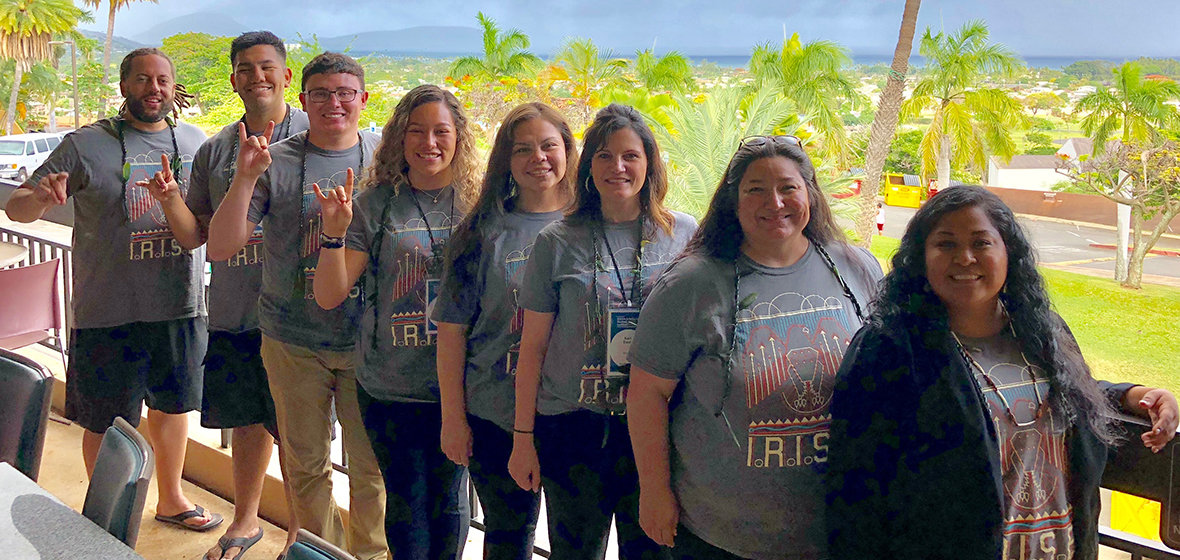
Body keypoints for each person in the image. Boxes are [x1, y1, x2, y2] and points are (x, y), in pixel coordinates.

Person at [825, 185, 1179, 560]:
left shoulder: (1042, 331)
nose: (965, 257)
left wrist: (1130, 396)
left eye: (981, 243)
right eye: (945, 244)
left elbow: (1050, 395)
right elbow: (854, 489)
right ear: (920, 260)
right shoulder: (886, 350)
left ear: (1008, 252)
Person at [626, 135, 883, 560]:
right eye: (755, 190)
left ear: (810, 193)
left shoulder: (858, 268)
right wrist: (655, 492)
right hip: (723, 533)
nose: (775, 202)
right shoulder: (690, 285)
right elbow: (647, 393)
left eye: (788, 187)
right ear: (734, 200)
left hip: (838, 523)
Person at [6, 48, 220, 532]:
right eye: (143, 79)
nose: (154, 88)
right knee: (105, 420)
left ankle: (171, 498)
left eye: (163, 80)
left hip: (178, 304)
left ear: (173, 87)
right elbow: (17, 208)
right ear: (124, 87)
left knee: (171, 409)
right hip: (106, 309)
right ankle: (105, 515)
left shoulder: (193, 142)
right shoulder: (84, 145)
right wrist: (38, 197)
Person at [206, 52, 387, 560]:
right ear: (303, 100)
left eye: (345, 93)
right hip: (291, 340)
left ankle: (370, 555)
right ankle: (322, 554)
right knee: (306, 467)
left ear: (363, 99)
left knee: (370, 469)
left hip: (364, 341)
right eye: (322, 94)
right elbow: (220, 247)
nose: (334, 103)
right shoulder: (274, 160)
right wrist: (243, 179)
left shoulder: (382, 161)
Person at [141, 31, 309, 560]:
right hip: (237, 312)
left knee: (300, 439)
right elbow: (198, 237)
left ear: (286, 75)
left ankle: (304, 540)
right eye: (245, 68)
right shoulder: (216, 149)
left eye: (266, 67)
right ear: (234, 79)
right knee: (246, 421)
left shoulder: (321, 135)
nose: (256, 76)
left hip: (304, 320)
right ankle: (245, 520)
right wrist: (170, 201)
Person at [508, 103, 698, 560]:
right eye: (605, 156)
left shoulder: (684, 234)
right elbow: (532, 348)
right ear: (588, 166)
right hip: (573, 426)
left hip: (656, 428)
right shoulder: (556, 241)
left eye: (630, 156)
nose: (619, 167)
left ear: (649, 163)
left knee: (652, 549)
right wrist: (522, 438)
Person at [313, 84, 481, 560]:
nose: (429, 142)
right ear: (399, 139)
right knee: (406, 502)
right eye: (417, 131)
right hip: (391, 384)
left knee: (450, 502)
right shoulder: (376, 204)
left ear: (458, 138)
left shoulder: (478, 205)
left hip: (462, 386)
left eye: (441, 132)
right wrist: (333, 234)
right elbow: (330, 294)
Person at [432, 102, 577, 560]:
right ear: (505, 161)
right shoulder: (481, 231)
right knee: (508, 538)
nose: (539, 157)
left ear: (569, 152)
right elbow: (452, 332)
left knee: (576, 542)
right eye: (523, 149)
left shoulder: (592, 227)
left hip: (571, 416)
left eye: (549, 145)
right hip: (494, 410)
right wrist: (453, 419)